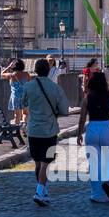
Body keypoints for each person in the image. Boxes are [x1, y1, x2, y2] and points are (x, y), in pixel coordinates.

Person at [77, 71, 109, 203]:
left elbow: (82, 118)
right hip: (107, 127)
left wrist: (79, 134)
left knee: (94, 164)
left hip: (92, 128)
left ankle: (97, 195)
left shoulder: (87, 97)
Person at [21, 58, 65, 206]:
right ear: (49, 70)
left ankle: (43, 190)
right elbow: (64, 110)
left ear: (35, 70)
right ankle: (40, 191)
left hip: (33, 129)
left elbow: (23, 103)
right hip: (49, 130)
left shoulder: (28, 86)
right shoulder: (55, 88)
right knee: (46, 162)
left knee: (38, 163)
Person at [3, 58, 29, 126]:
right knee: (25, 113)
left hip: (15, 97)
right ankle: (24, 126)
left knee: (17, 114)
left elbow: (2, 73)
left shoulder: (12, 75)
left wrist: (9, 66)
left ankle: (17, 129)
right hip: (25, 96)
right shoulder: (26, 74)